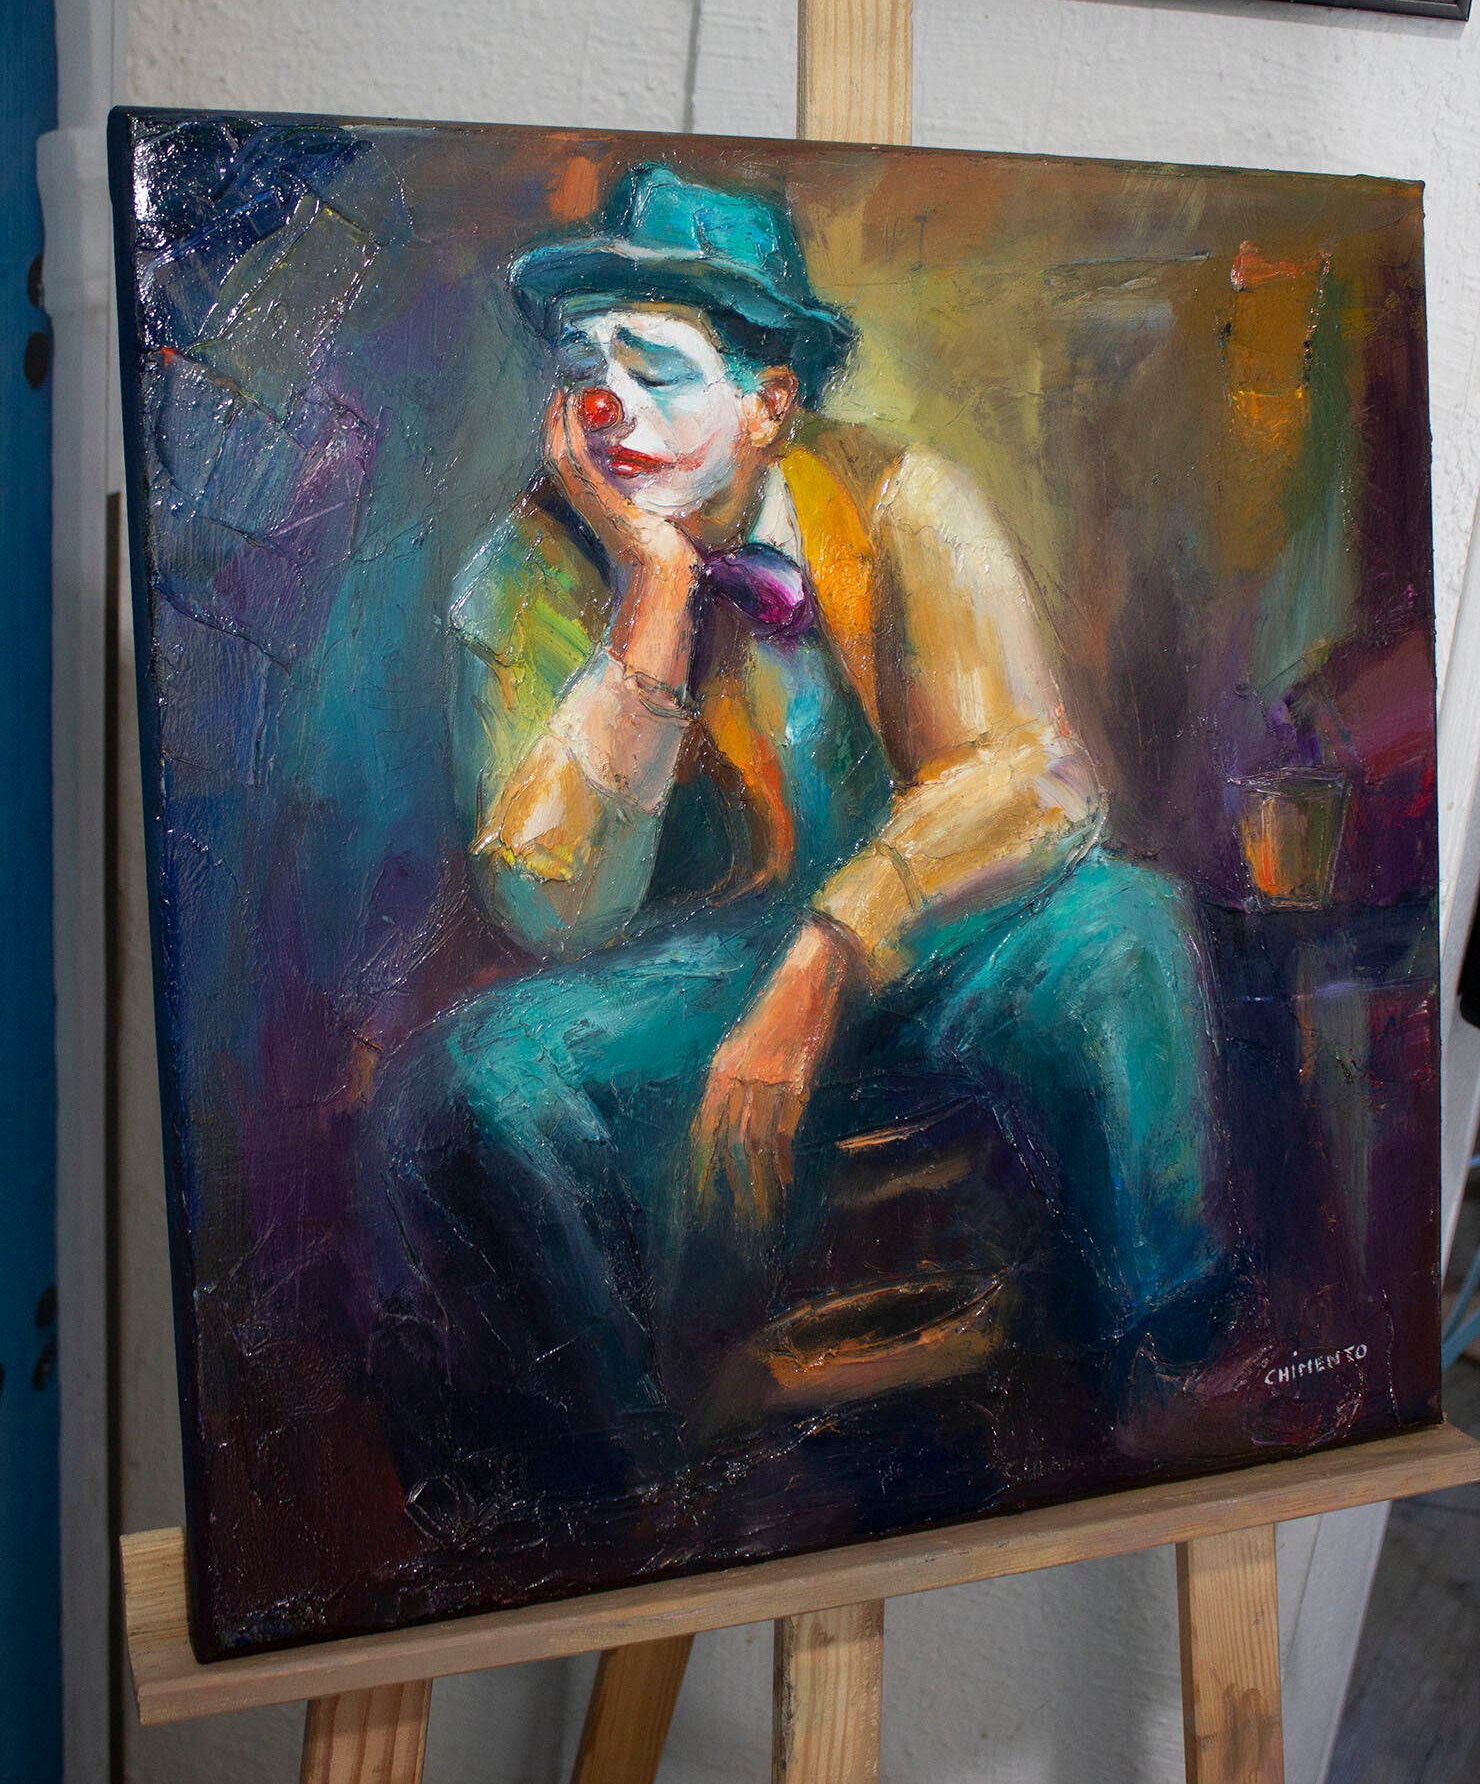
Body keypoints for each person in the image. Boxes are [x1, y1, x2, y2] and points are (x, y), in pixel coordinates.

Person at [358, 165, 1232, 1537]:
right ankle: (639, 1499)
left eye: (654, 369)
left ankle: (1159, 1381)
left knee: (1123, 927)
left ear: (769, 403)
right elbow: (555, 909)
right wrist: (650, 604)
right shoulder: (517, 583)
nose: (606, 407)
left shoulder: (898, 499)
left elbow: (1037, 776)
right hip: (673, 994)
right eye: (583, 369)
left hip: (919, 949)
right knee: (467, 1087)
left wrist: (831, 952)